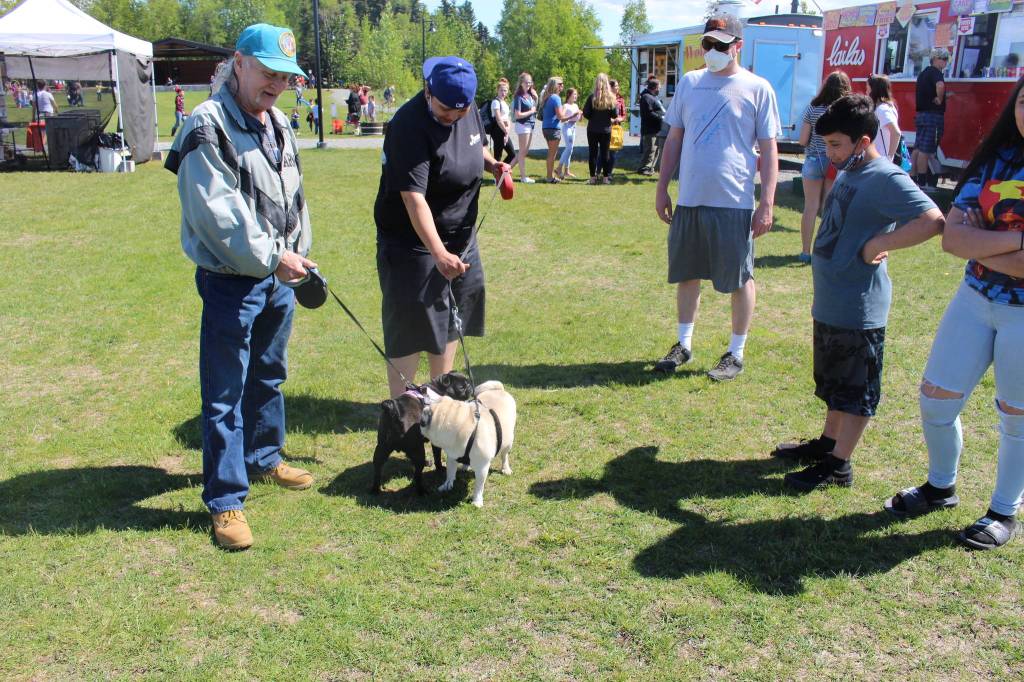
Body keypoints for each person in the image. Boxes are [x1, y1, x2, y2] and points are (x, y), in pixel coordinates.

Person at [164, 23, 317, 551]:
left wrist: (298, 249)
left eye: (285, 76)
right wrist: (275, 258)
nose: (277, 84)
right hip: (235, 280)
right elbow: (218, 215)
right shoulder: (206, 125)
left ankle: (265, 457)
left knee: (269, 375)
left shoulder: (276, 120)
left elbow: (292, 193)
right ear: (238, 63)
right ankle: (227, 501)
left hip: (280, 276)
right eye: (268, 72)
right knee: (225, 393)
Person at [771, 94, 944, 490]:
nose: (829, 153)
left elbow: (933, 221)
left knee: (856, 392)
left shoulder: (886, 177)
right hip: (833, 303)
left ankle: (839, 465)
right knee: (835, 385)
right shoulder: (849, 169)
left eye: (835, 145)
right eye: (826, 143)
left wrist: (875, 247)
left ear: (863, 142)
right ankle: (828, 444)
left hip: (859, 310)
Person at [884, 78, 1024, 550]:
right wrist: (1018, 243)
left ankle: (1004, 510)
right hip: (975, 298)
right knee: (935, 400)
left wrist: (984, 245)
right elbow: (952, 238)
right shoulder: (995, 160)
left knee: (1017, 417)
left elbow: (970, 240)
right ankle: (941, 486)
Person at [653, 15, 781, 381]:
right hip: (691, 200)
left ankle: (735, 353)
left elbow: (769, 151)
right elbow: (674, 139)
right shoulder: (690, 84)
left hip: (734, 202)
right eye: (708, 44)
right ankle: (683, 345)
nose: (713, 52)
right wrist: (662, 187)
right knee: (687, 273)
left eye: (721, 45)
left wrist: (767, 202)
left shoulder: (758, 88)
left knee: (739, 279)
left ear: (738, 46)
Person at [374, 56, 509, 400]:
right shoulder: (409, 125)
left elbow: (475, 147)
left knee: (452, 316)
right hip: (412, 243)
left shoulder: (467, 110)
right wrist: (438, 253)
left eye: (459, 114)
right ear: (427, 91)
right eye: (445, 111)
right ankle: (402, 411)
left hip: (461, 236)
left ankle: (439, 401)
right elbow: (412, 199)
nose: (452, 119)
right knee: (410, 323)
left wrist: (493, 165)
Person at [798, 71, 852, 263]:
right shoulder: (844, 111)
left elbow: (803, 140)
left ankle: (805, 251)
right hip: (835, 162)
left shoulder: (812, 108)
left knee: (810, 207)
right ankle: (825, 250)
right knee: (829, 208)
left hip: (814, 160)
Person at [912, 48, 948, 192]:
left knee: (917, 148)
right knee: (925, 151)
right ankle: (922, 183)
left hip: (921, 116)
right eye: (944, 59)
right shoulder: (936, 72)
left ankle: (913, 179)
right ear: (936, 59)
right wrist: (940, 98)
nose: (945, 62)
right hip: (932, 116)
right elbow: (940, 85)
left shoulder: (923, 73)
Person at [582, 73, 617, 185]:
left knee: (592, 153)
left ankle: (592, 178)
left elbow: (586, 114)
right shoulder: (611, 98)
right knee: (605, 153)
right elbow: (614, 115)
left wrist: (594, 115)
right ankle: (606, 178)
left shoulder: (592, 97)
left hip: (592, 129)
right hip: (606, 129)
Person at [539, 76, 567, 183]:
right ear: (555, 86)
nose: (562, 86)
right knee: (552, 155)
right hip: (553, 129)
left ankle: (550, 176)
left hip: (546, 128)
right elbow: (561, 117)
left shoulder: (547, 97)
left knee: (551, 154)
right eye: (560, 84)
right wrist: (572, 114)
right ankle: (549, 177)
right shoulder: (556, 98)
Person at [511, 72, 537, 183]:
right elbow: (518, 115)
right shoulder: (519, 97)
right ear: (521, 83)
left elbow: (535, 109)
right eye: (526, 82)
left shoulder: (530, 95)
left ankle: (503, 172)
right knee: (522, 152)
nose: (529, 84)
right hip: (522, 125)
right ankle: (523, 177)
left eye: (530, 82)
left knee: (523, 152)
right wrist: (531, 111)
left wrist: (536, 98)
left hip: (530, 125)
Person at [868, 74, 900, 163]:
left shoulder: (883, 109)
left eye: (868, 88)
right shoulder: (885, 107)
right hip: (877, 160)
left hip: (880, 160)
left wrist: (889, 158)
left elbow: (896, 133)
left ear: (874, 90)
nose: (866, 92)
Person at [638, 77, 665, 176]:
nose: (660, 89)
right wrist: (661, 117)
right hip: (650, 129)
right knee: (650, 149)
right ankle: (644, 168)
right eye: (659, 87)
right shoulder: (646, 97)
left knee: (656, 150)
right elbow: (648, 113)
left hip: (657, 128)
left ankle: (650, 168)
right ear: (655, 87)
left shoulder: (653, 97)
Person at [556, 87, 581, 180]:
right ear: (569, 95)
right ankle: (559, 168)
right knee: (569, 148)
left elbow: (577, 119)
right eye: (574, 94)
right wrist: (573, 115)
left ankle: (566, 171)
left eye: (576, 94)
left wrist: (580, 116)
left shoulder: (576, 105)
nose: (576, 96)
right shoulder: (565, 105)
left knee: (570, 149)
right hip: (567, 127)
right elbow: (562, 119)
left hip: (574, 127)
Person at [489, 78, 516, 164]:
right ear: (497, 90)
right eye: (501, 90)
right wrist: (505, 131)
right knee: (498, 156)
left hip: (504, 130)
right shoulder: (496, 102)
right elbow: (498, 119)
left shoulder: (505, 102)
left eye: (505, 90)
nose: (503, 93)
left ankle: (501, 173)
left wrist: (507, 131)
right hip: (497, 130)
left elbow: (507, 118)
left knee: (512, 154)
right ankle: (498, 175)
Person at [605, 79, 628, 178]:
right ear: (610, 87)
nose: (618, 88)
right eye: (616, 86)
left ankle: (609, 173)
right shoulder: (605, 98)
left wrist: (619, 118)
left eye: (618, 86)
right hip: (605, 127)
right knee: (603, 151)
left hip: (616, 129)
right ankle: (597, 172)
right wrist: (608, 119)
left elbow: (624, 115)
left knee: (613, 152)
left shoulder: (621, 100)